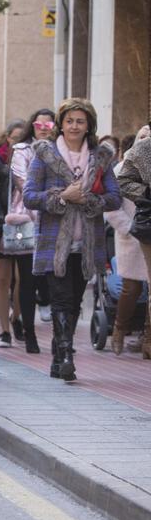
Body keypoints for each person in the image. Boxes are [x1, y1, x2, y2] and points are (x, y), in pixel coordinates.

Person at [24, 98, 120, 381]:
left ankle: (58, 356)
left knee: (76, 300)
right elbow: (30, 196)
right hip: (55, 243)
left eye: (80, 121)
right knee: (61, 300)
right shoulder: (45, 154)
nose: (74, 126)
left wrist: (89, 199)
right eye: (69, 121)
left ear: (89, 124)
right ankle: (66, 354)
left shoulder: (101, 156)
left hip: (88, 243)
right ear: (60, 124)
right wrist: (62, 197)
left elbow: (114, 197)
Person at [12, 109, 57, 334]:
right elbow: (24, 183)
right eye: (39, 125)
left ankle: (61, 333)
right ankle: (28, 332)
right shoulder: (22, 150)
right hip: (27, 218)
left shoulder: (61, 150)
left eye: (48, 126)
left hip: (56, 218)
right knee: (27, 279)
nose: (43, 130)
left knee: (53, 278)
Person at [0, 120, 30, 349]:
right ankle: (4, 330)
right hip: (1, 224)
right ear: (7, 138)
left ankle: (16, 318)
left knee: (22, 278)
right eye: (14, 138)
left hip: (26, 223)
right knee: (2, 278)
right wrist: (2, 218)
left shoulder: (32, 160)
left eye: (22, 139)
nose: (17, 143)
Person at [106, 128, 150, 355]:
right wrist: (129, 228)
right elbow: (111, 208)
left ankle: (147, 338)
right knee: (131, 288)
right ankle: (119, 328)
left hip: (149, 234)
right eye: (143, 139)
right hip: (131, 237)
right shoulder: (121, 169)